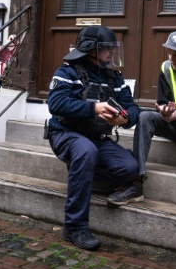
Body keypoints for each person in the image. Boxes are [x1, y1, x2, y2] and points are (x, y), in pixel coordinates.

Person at [107, 30, 176, 222]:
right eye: (170, 53)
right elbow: (163, 101)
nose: (172, 58)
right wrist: (165, 112)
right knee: (145, 117)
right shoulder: (167, 68)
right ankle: (135, 181)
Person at [46, 26, 140, 250]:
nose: (111, 53)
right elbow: (55, 104)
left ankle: (82, 169)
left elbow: (134, 108)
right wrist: (94, 108)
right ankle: (74, 227)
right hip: (66, 134)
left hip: (97, 138)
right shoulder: (68, 71)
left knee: (129, 168)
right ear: (91, 50)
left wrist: (125, 119)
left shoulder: (114, 76)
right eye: (107, 48)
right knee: (85, 151)